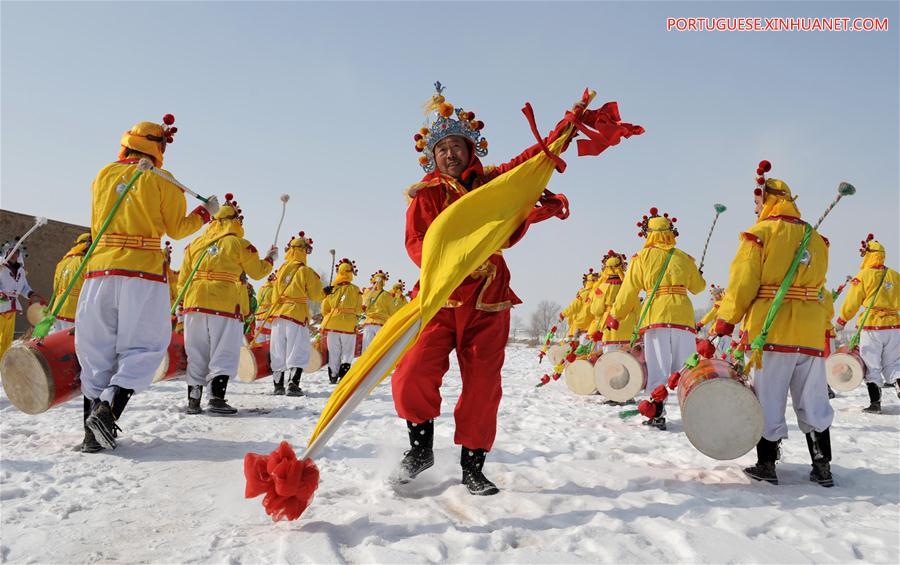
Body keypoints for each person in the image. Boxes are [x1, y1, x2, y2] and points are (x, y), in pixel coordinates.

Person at [391, 82, 581, 495]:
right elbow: (416, 244)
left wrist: (566, 129)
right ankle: (419, 449)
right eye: (441, 149)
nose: (449, 154)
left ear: (470, 149)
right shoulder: (426, 196)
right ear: (433, 156)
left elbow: (531, 161)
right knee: (412, 371)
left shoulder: (492, 185)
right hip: (440, 296)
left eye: (456, 146)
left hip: (489, 300)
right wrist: (449, 262)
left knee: (483, 386)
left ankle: (472, 467)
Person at [76, 114, 216, 451]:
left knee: (95, 350)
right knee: (144, 346)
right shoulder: (163, 179)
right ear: (159, 147)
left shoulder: (104, 174)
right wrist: (205, 213)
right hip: (141, 273)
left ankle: (88, 434)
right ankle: (108, 411)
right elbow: (177, 229)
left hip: (99, 272)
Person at [711, 161, 834, 487]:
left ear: (768, 200)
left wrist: (726, 320)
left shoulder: (759, 235)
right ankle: (822, 466)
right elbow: (822, 290)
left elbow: (742, 284)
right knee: (813, 400)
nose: (755, 210)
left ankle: (767, 464)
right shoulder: (818, 240)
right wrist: (826, 326)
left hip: (772, 331)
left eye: (756, 204)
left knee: (768, 397)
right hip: (808, 333)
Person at [606, 208, 705, 430]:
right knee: (687, 367)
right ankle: (695, 413)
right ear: (670, 232)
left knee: (658, 367)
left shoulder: (641, 258)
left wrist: (615, 315)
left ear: (648, 233)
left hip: (657, 317)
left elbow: (628, 291)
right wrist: (698, 273)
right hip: (683, 318)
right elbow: (699, 287)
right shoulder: (683, 257)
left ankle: (657, 413)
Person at [178, 194, 275, 414]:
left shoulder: (194, 245)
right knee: (224, 351)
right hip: (225, 305)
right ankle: (217, 399)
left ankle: (194, 399)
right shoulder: (239, 244)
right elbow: (258, 272)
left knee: (197, 351)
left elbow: (183, 280)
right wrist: (270, 259)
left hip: (195, 304)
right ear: (235, 221)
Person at [836, 234, 899, 412]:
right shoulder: (895, 275)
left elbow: (852, 301)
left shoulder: (864, 276)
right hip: (894, 326)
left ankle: (875, 403)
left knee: (871, 364)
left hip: (873, 326)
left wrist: (842, 320)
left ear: (869, 254)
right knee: (894, 364)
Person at [268, 232, 325, 396]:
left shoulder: (281, 270)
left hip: (279, 315)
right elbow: (316, 295)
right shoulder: (306, 271)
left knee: (278, 350)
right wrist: (325, 292)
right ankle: (293, 384)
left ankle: (278, 386)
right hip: (297, 315)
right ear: (304, 251)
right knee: (297, 349)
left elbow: (274, 295)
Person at [321, 258, 363, 384]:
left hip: (332, 324)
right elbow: (359, 309)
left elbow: (324, 308)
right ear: (350, 273)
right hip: (348, 325)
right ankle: (344, 374)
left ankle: (333, 376)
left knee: (334, 351)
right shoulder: (356, 289)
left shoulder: (331, 289)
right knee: (347, 351)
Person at [0, 241, 44, 357]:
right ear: (6, 253)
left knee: (7, 338)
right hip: (0, 305)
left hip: (11, 308)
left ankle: (3, 361)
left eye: (16, 252)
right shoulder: (1, 267)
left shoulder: (20, 271)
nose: (14, 255)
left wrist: (30, 293)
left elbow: (24, 286)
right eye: (12, 252)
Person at [589, 251, 634, 353]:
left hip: (609, 329)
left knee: (609, 363)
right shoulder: (628, 287)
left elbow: (596, 310)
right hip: (628, 332)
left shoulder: (602, 288)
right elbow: (637, 308)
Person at [50, 233, 91, 332]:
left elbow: (55, 289)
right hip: (74, 312)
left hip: (57, 311)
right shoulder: (86, 262)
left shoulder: (62, 263)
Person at [361, 270, 394, 353]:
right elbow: (392, 311)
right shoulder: (386, 295)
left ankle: (366, 363)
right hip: (380, 324)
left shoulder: (369, 293)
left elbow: (363, 306)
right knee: (380, 348)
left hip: (370, 323)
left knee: (367, 348)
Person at [253, 273, 276, 344]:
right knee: (269, 337)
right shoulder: (272, 290)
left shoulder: (261, 288)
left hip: (258, 315)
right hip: (267, 315)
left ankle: (259, 353)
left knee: (259, 337)